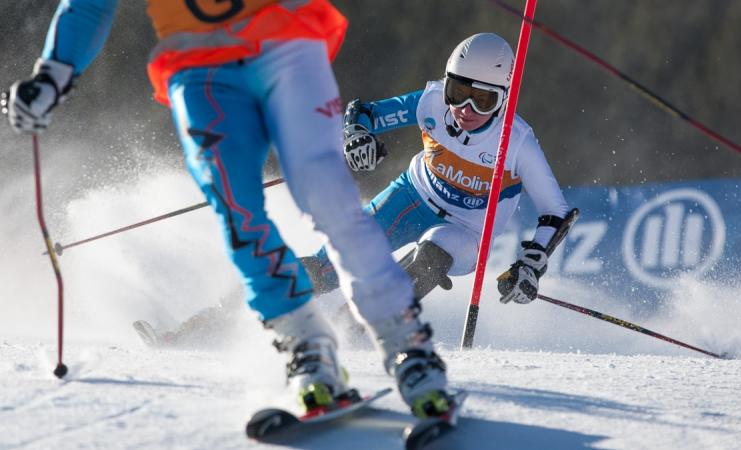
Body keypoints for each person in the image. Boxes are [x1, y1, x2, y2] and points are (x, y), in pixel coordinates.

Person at [2, 0, 451, 419]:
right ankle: (307, 349)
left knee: (328, 198)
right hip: (199, 70)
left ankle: (407, 347)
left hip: (285, 46)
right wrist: (52, 74)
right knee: (238, 217)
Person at [303, 32, 570, 306]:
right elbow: (364, 115)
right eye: (458, 92)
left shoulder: (517, 142)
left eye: (483, 100)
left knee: (432, 256)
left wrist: (531, 263)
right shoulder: (432, 102)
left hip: (467, 230)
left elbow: (555, 212)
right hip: (412, 196)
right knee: (326, 265)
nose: (466, 109)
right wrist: (356, 137)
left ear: (504, 99)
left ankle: (365, 328)